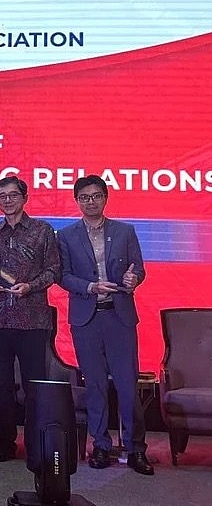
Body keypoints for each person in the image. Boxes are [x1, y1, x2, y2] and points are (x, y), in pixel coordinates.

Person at [58, 174, 153, 475]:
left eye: (96, 196)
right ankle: (100, 446)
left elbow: (139, 268)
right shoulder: (66, 235)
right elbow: (63, 276)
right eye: (84, 197)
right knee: (95, 386)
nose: (90, 201)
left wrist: (133, 278)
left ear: (105, 197)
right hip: (86, 319)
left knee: (127, 386)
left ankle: (135, 449)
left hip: (119, 316)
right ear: (77, 201)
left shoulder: (124, 231)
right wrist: (89, 287)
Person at [0, 176, 60, 462]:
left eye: (13, 195)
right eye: (2, 196)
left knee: (33, 387)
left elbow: (53, 271)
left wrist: (31, 286)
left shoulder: (42, 230)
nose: (8, 200)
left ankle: (36, 444)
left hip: (31, 319)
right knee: (0, 387)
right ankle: (5, 443)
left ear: (24, 198)